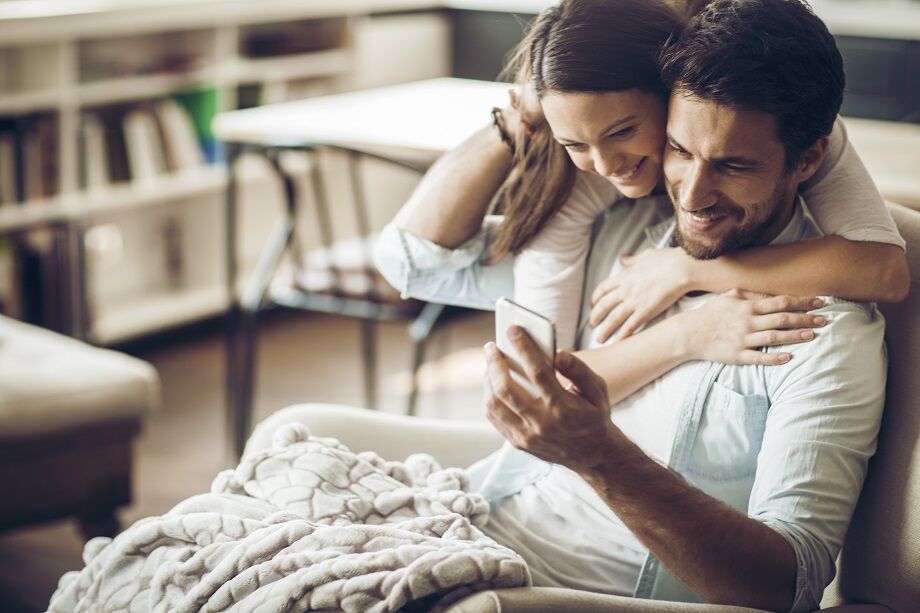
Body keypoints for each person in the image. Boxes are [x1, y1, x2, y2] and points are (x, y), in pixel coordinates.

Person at [373, 0, 891, 609]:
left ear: (807, 159)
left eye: (732, 164)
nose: (692, 194)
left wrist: (600, 456)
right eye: (678, 149)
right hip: (479, 510)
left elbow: (790, 584)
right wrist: (523, 116)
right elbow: (418, 263)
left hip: (551, 588)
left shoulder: (818, 332)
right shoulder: (631, 224)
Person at [375, 0, 908, 364]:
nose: (606, 164)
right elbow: (547, 368)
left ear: (671, 88)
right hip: (599, 269)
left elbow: (884, 269)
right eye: (575, 143)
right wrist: (519, 123)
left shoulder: (759, 120)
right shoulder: (579, 173)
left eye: (624, 131)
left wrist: (684, 268)